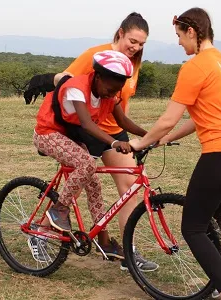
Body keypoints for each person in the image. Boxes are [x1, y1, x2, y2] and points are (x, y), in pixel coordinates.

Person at [129, 7, 221, 300]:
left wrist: (141, 142)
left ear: (192, 32)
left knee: (193, 228)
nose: (178, 43)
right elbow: (200, 117)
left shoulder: (195, 66)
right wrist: (165, 140)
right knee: (209, 220)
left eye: (179, 36)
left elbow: (168, 118)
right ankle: (217, 284)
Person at [51, 12, 158, 272]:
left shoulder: (134, 64)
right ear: (120, 33)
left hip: (114, 132)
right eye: (133, 41)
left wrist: (145, 135)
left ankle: (128, 252)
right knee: (74, 189)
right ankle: (42, 233)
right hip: (86, 131)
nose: (136, 47)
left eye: (142, 44)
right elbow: (61, 79)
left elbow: (120, 104)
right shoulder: (95, 55)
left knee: (130, 188)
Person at [30, 50, 147, 263]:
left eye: (117, 90)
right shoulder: (77, 88)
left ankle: (103, 239)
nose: (112, 95)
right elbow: (87, 124)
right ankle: (58, 212)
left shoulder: (110, 92)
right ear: (98, 77)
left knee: (94, 184)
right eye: (110, 89)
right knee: (86, 164)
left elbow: (123, 122)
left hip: (70, 137)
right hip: (48, 133)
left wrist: (149, 135)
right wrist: (113, 142)